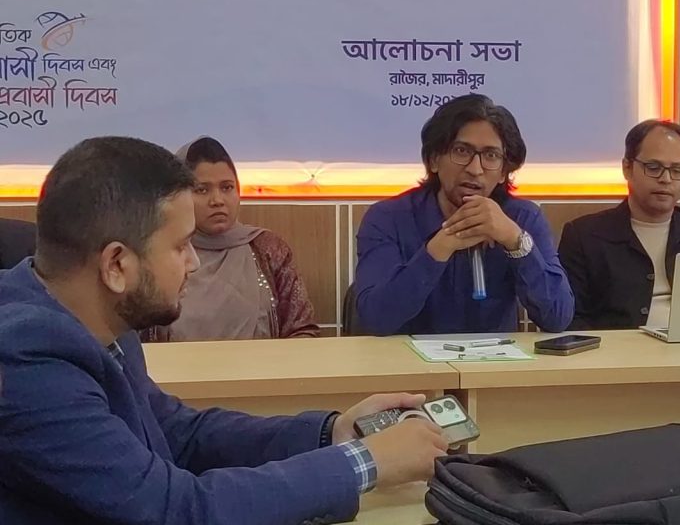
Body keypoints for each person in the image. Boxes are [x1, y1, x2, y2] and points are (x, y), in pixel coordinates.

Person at [0, 137, 448, 524]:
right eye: (180, 246)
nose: (194, 262)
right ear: (117, 265)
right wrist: (364, 463)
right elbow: (175, 509)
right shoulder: (26, 360)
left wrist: (332, 432)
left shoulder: (102, 319)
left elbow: (178, 433)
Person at [353, 94, 574, 334]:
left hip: (494, 358)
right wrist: (439, 248)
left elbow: (558, 317)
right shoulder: (387, 218)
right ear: (434, 160)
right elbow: (375, 319)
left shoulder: (523, 218)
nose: (475, 169)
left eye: (491, 155)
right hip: (407, 358)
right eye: (461, 151)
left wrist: (514, 240)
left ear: (503, 172)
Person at [144, 136, 319, 341]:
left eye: (227, 187)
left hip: (261, 363)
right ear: (179, 196)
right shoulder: (161, 254)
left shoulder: (266, 249)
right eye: (202, 190)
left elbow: (302, 331)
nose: (217, 200)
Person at [558, 120, 680, 330]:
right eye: (654, 168)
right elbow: (571, 319)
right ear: (627, 168)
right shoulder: (584, 236)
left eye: (677, 170)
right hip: (617, 348)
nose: (666, 179)